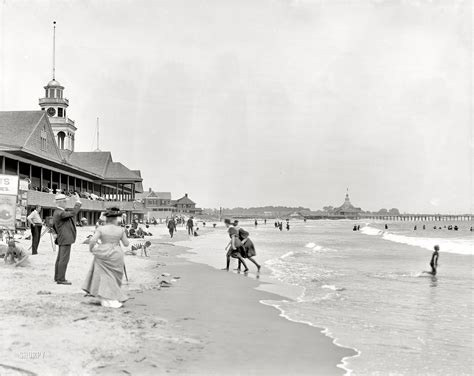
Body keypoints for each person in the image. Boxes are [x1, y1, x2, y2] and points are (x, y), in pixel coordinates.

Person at [82, 207, 129, 308]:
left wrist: (92, 249)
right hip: (116, 252)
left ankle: (103, 296)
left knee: (102, 276)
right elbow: (126, 244)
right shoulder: (121, 229)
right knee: (115, 276)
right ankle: (112, 296)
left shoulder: (101, 229)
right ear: (116, 219)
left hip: (103, 251)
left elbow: (92, 240)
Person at [52, 194, 82, 285]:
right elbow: (73, 213)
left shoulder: (57, 212)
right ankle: (61, 279)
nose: (66, 203)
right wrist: (78, 202)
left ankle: (57, 277)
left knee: (60, 259)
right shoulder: (60, 212)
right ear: (60, 202)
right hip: (65, 238)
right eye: (65, 201)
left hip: (62, 237)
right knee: (63, 259)